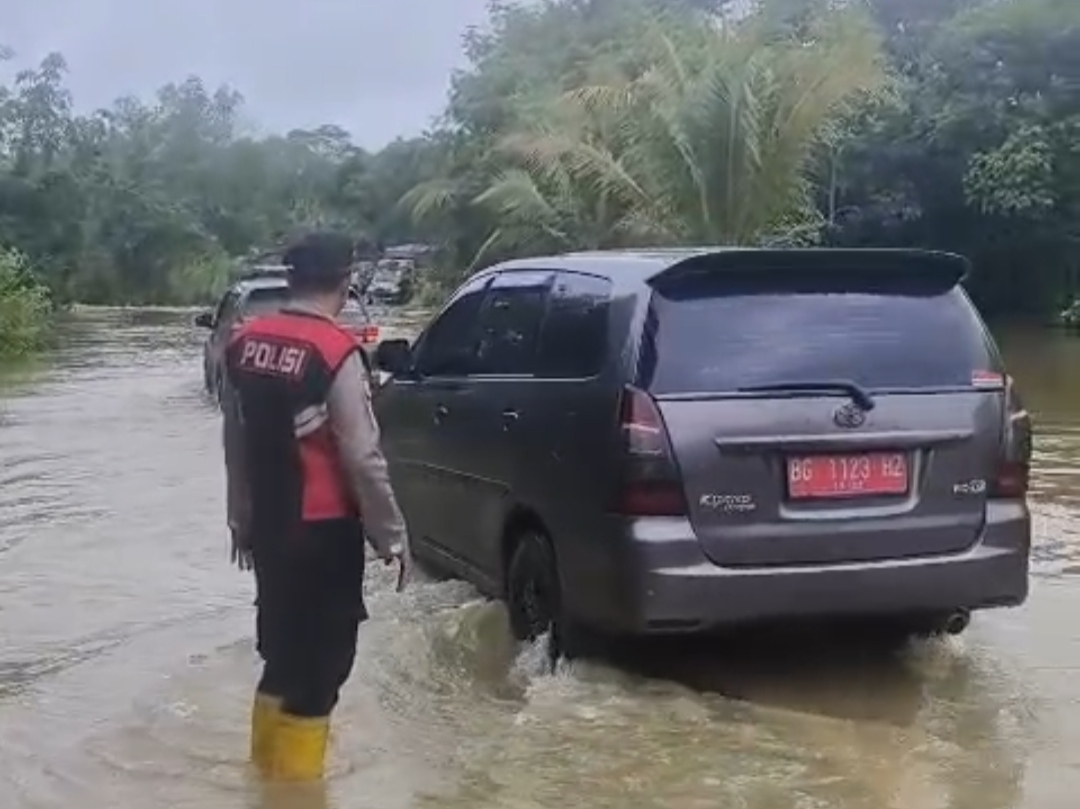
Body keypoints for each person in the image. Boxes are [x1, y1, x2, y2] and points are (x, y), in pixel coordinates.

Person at [222, 231, 409, 781]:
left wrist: (240, 516)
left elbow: (234, 438)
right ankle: (296, 794)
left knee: (280, 661)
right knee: (320, 674)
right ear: (347, 283)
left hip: (269, 530)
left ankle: (263, 780)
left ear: (290, 279)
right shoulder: (335, 352)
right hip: (323, 533)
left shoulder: (243, 343)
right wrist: (391, 536)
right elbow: (363, 456)